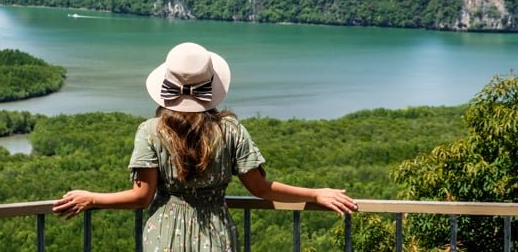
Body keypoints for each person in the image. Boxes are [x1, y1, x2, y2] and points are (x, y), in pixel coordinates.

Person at [53, 42, 358, 251]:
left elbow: (141, 197)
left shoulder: (150, 131)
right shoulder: (230, 130)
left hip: (163, 237)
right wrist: (316, 193)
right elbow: (262, 189)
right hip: (216, 233)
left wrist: (92, 198)